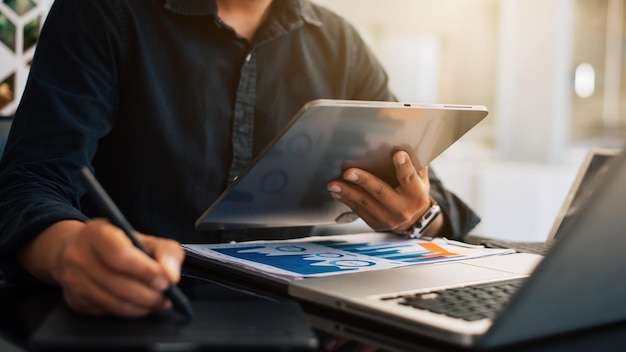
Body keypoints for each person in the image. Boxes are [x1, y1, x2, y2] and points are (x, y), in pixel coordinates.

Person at [0, 0, 480, 318]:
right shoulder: (102, 13)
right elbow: (29, 182)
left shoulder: (340, 46)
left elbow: (432, 202)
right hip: (132, 313)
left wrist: (421, 216)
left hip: (289, 322)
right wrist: (67, 252)